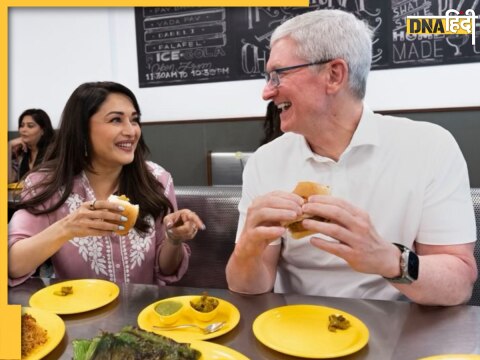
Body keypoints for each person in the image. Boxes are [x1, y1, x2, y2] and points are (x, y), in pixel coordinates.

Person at [226, 9, 477, 306]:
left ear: (334, 75)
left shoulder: (430, 147)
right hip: (291, 329)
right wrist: (248, 250)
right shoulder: (265, 162)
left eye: (278, 74)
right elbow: (248, 288)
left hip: (395, 333)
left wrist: (390, 260)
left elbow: (459, 283)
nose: (267, 92)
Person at [8, 81, 205, 286]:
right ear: (82, 129)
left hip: (144, 312)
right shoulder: (45, 183)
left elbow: (167, 269)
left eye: (134, 120)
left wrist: (173, 239)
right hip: (76, 313)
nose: (131, 131)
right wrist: (67, 227)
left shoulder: (157, 179)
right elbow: (12, 264)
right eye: (116, 120)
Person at [8, 108, 55, 183]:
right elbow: (9, 180)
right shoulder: (18, 152)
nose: (23, 130)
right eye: (21, 125)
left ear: (43, 130)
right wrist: (8, 147)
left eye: (30, 126)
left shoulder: (54, 152)